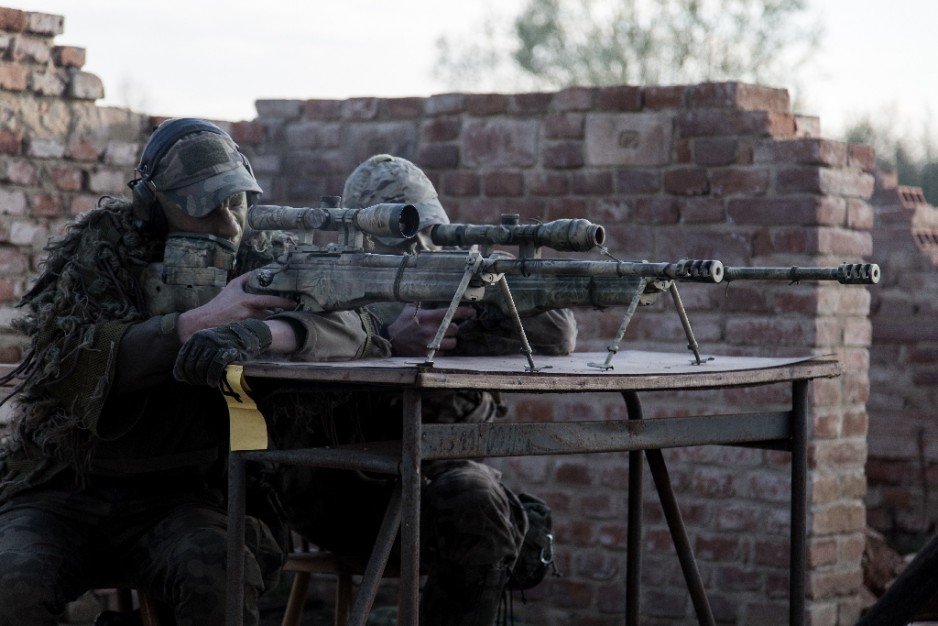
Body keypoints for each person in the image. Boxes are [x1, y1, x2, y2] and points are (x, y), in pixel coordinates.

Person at [0, 119, 389, 626]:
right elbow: (69, 364)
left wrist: (271, 333)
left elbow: (359, 325)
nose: (228, 224)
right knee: (12, 586)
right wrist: (192, 325)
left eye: (237, 200)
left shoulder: (257, 256)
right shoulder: (101, 254)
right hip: (67, 489)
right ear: (152, 206)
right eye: (204, 207)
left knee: (219, 576)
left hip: (186, 495)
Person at [264, 154, 577, 625]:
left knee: (479, 503)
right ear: (362, 234)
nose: (419, 248)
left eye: (428, 232)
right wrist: (387, 339)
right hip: (343, 493)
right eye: (404, 237)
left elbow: (558, 335)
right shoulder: (324, 280)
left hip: (433, 488)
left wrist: (494, 278)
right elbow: (292, 349)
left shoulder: (449, 282)